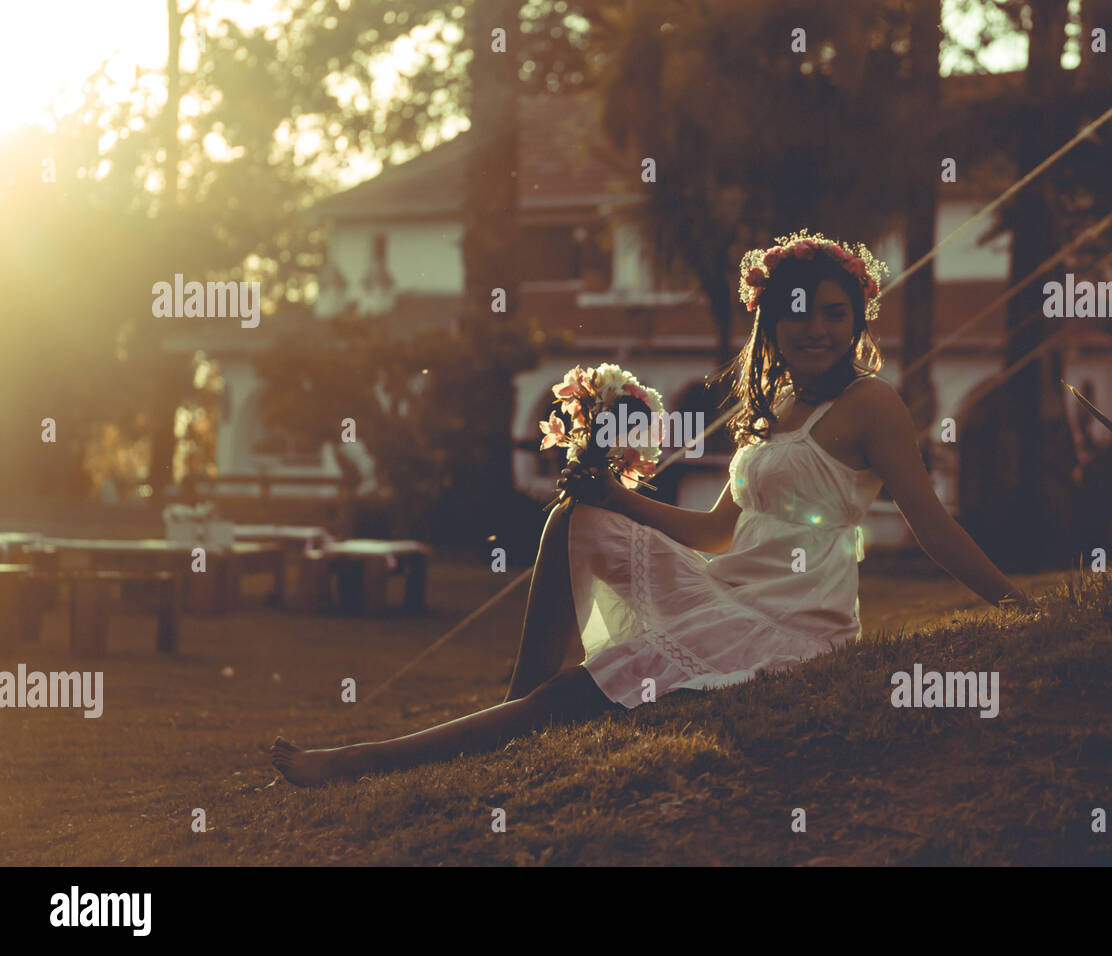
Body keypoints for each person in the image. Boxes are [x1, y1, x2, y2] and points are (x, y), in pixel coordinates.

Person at [271, 230, 1035, 787]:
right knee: (576, 520)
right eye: (797, 313)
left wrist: (1017, 605)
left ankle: (364, 761)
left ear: (858, 321)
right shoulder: (774, 406)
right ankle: (512, 712)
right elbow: (715, 531)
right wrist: (617, 499)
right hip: (731, 591)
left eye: (835, 313)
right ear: (771, 324)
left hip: (795, 628)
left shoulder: (874, 406)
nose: (816, 328)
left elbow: (930, 522)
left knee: (583, 692)